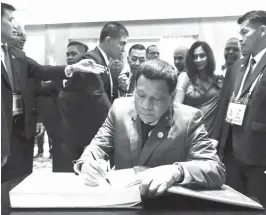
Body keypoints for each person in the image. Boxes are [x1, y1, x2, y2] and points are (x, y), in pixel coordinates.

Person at [1, 3, 104, 213]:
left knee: (18, 182)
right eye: (10, 20)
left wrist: (74, 67)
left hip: (20, 130)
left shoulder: (14, 54)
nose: (14, 25)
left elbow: (42, 71)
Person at [73, 59, 225, 197]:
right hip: (122, 202)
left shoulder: (189, 119)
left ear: (172, 97)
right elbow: (97, 146)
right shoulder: (119, 108)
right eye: (140, 95)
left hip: (164, 205)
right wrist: (86, 164)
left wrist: (176, 171)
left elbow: (215, 169)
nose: (146, 105)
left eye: (157, 98)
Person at [51, 22, 129, 172]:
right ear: (108, 40)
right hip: (71, 137)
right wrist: (122, 123)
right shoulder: (91, 59)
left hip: (82, 134)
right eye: (122, 43)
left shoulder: (103, 61)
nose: (123, 49)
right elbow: (98, 97)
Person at [216, 10, 266, 207]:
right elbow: (223, 106)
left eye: (245, 33)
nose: (240, 39)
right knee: (232, 208)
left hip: (259, 158)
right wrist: (215, 139)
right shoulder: (237, 66)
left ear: (263, 31)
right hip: (231, 154)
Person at [174, 41, 220, 139]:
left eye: (202, 56)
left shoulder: (217, 80)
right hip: (189, 134)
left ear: (209, 57)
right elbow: (177, 108)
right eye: (195, 57)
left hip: (210, 136)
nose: (198, 60)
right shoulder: (185, 77)